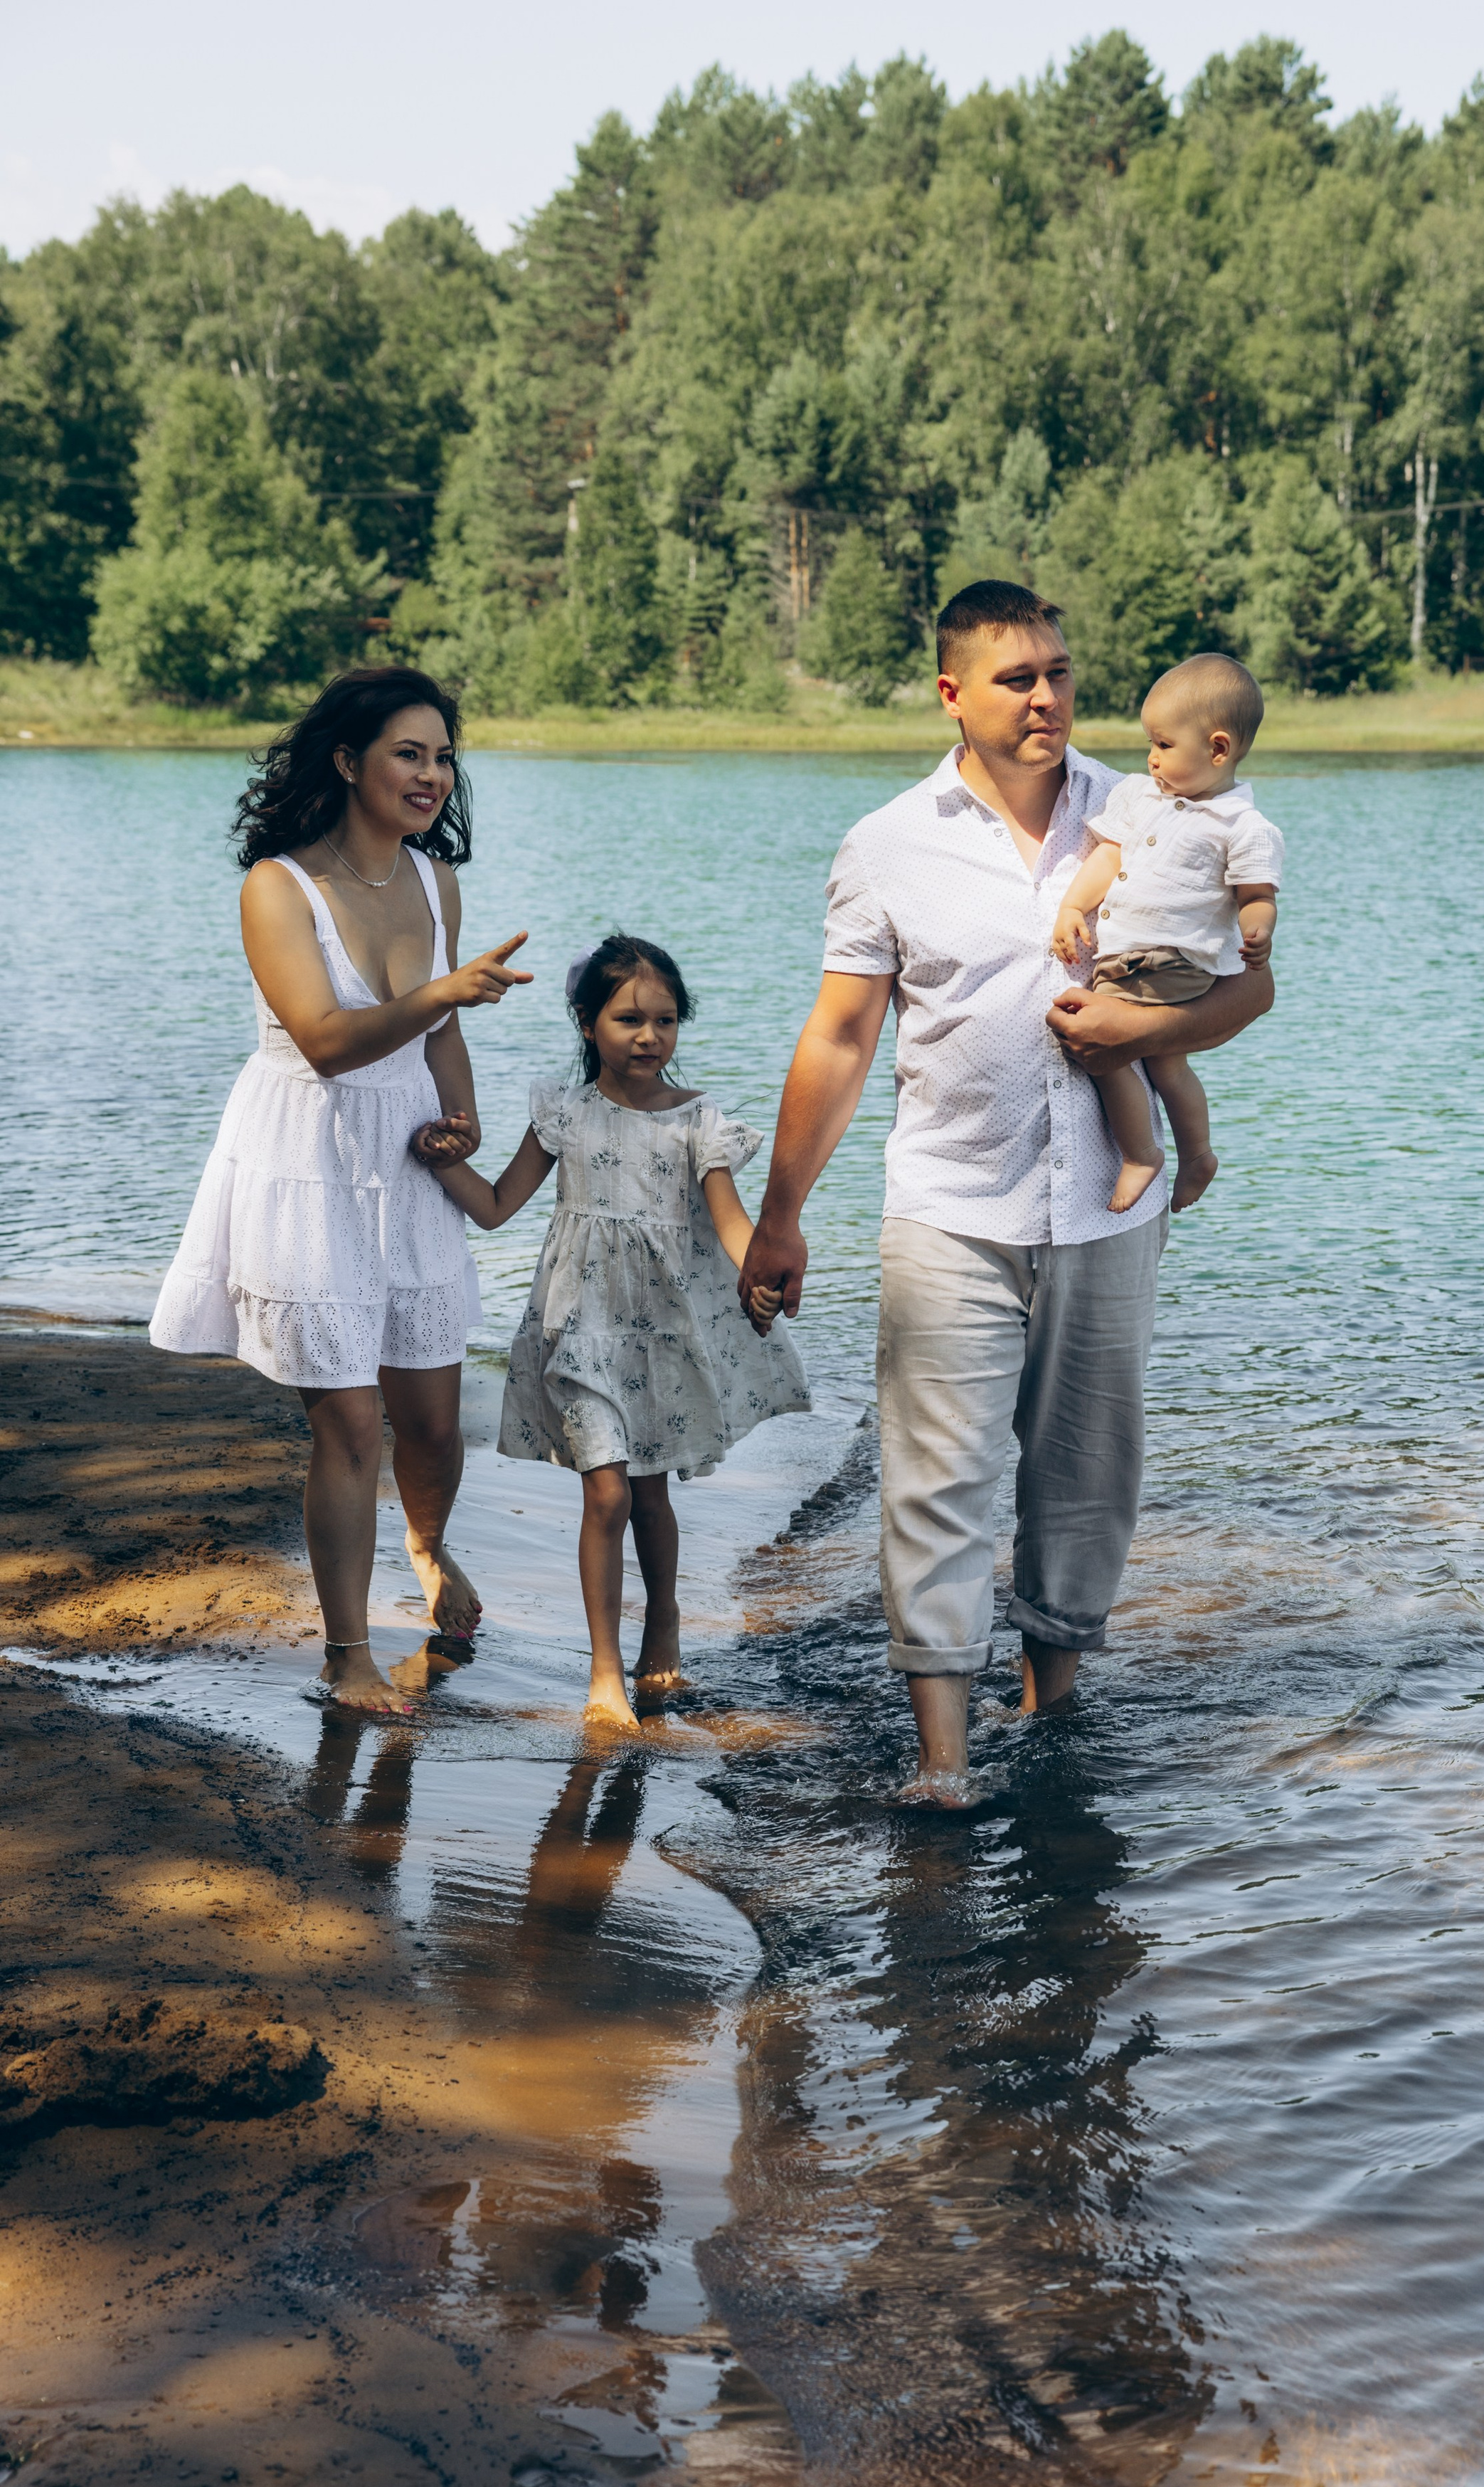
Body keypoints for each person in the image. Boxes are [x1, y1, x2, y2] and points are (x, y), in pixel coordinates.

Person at [736, 581, 1276, 1786]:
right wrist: (780, 1217)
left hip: (1106, 1208)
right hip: (950, 1211)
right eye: (1017, 678)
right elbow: (838, 1041)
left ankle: (1048, 1715)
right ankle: (941, 1760)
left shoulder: (1152, 806)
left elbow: (1252, 987)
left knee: (1085, 1475)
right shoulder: (887, 845)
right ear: (952, 695)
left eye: (1060, 674)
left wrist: (1133, 1040)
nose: (1046, 697)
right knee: (938, 1481)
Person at [148, 667, 532, 1720]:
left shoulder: (433, 882)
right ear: (347, 761)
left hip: (408, 1161)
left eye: (444, 757)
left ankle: (427, 1542)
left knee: (435, 1424)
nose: (432, 777)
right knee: (353, 1426)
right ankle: (349, 1654)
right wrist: (442, 993)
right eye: (409, 754)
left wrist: (463, 1121)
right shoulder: (278, 887)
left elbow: (441, 1034)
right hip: (307, 1163)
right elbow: (324, 1042)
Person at [414, 933, 810, 1728]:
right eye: (629, 1018)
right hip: (580, 1326)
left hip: (663, 1330)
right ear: (587, 1021)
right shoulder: (563, 1115)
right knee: (606, 1493)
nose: (649, 1037)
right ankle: (604, 1672)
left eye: (666, 1021)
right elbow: (495, 1207)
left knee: (650, 1492)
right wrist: (435, 1159)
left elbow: (733, 1226)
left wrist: (759, 1280)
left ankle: (661, 1624)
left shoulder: (698, 1121)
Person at [1050, 653, 1283, 1213]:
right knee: (1166, 1062)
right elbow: (1108, 857)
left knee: (1102, 1050)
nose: (1152, 759)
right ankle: (1198, 1153)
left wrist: (1257, 932)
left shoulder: (1242, 826)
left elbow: (1256, 896)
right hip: (1127, 957)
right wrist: (1072, 907)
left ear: (1218, 749)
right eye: (1150, 745)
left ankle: (1140, 1155)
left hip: (1173, 962)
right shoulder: (1140, 798)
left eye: (1163, 745)